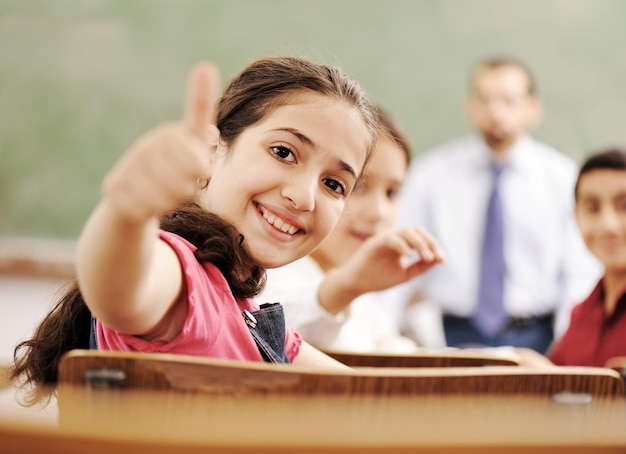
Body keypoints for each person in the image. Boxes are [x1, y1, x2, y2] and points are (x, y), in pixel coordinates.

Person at [11, 56, 383, 389]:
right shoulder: (183, 285)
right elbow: (121, 290)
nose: (303, 197)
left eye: (334, 184)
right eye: (283, 152)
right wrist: (127, 214)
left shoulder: (248, 316)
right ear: (212, 150)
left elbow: (368, 400)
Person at [390, 57, 602, 353]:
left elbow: (578, 272)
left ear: (533, 109)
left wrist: (567, 346)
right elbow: (399, 259)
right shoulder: (431, 177)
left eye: (509, 100)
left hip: (538, 339)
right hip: (449, 338)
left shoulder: (563, 180)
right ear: (470, 107)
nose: (496, 112)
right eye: (485, 100)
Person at [256, 107, 445, 353]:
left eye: (392, 193)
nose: (379, 212)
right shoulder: (266, 272)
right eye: (356, 187)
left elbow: (402, 356)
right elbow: (269, 336)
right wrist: (346, 286)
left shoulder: (362, 301)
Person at [547, 147, 626, 366]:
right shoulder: (583, 311)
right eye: (592, 208)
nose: (608, 225)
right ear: (576, 216)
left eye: (624, 206)